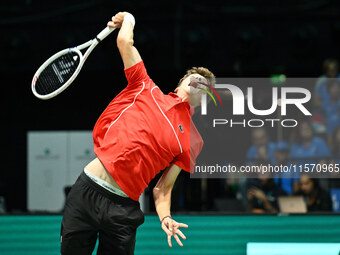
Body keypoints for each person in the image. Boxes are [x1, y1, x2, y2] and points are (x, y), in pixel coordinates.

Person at [60, 12, 215, 255]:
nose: (199, 80)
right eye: (194, 76)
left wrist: (165, 217)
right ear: (180, 84)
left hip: (123, 208)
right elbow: (124, 42)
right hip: (87, 191)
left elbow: (163, 189)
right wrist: (129, 18)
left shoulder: (193, 140)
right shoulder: (145, 87)